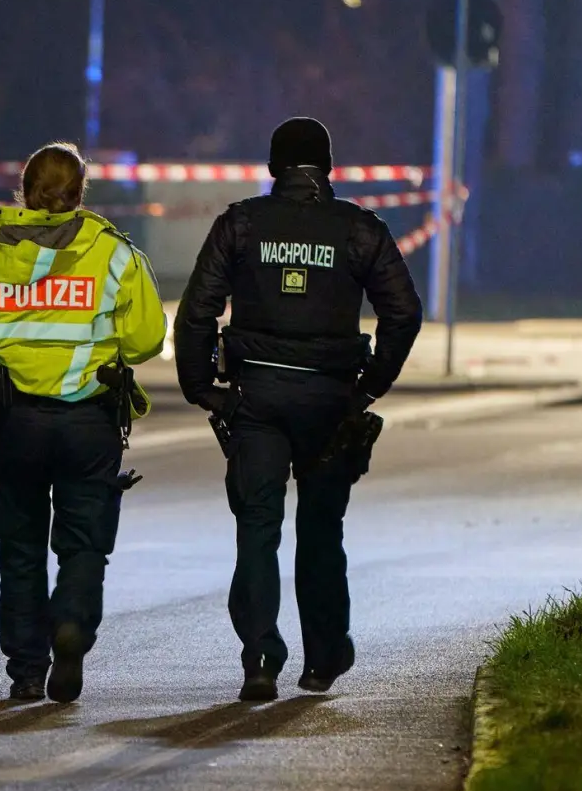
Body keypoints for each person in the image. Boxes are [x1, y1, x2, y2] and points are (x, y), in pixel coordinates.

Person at [174, 117, 422, 702]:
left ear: (272, 168)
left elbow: (196, 311)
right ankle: (323, 655)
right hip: (331, 400)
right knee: (320, 528)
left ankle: (260, 657)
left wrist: (202, 387)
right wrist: (369, 387)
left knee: (257, 528)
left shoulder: (241, 224)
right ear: (328, 169)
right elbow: (403, 312)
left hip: (255, 397)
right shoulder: (360, 230)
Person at [0, 142, 167, 704]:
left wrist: (9, 345)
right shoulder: (114, 254)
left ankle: (25, 669)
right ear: (79, 194)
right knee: (85, 540)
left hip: (15, 422)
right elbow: (146, 341)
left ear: (24, 191)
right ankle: (71, 626)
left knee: (20, 546)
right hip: (89, 420)